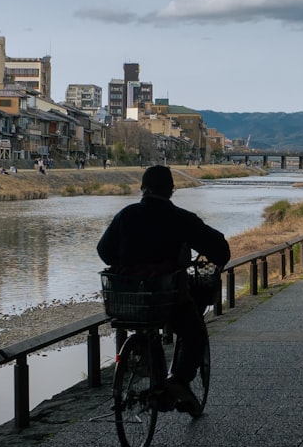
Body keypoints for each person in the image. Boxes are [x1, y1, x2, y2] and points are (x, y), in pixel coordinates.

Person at [97, 165, 231, 416]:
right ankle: (179, 380)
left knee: (145, 326)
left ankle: (143, 364)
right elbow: (219, 248)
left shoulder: (125, 215)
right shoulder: (181, 218)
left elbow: (104, 252)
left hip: (130, 297)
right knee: (194, 333)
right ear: (171, 190)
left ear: (142, 188)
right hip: (167, 296)